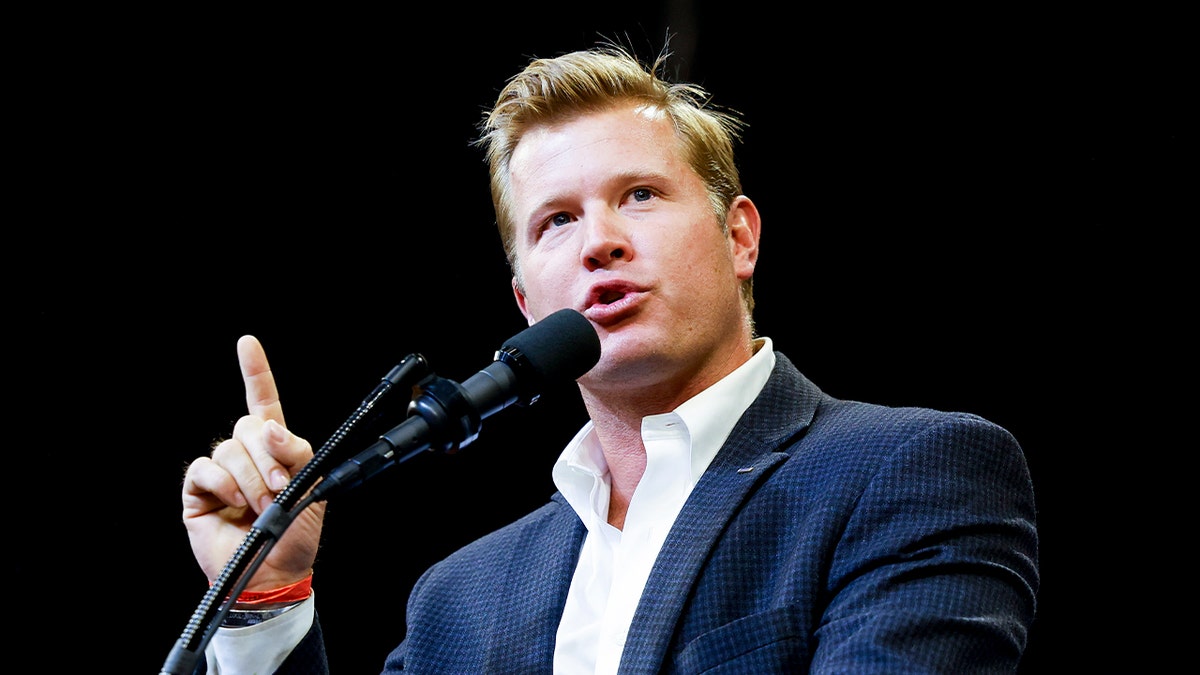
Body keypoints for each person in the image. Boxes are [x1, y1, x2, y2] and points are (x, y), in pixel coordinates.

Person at [179, 42, 1039, 673]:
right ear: (525, 301)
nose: (601, 243)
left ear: (739, 237)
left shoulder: (907, 474)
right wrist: (265, 600)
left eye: (639, 195)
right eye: (556, 220)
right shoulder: (458, 600)